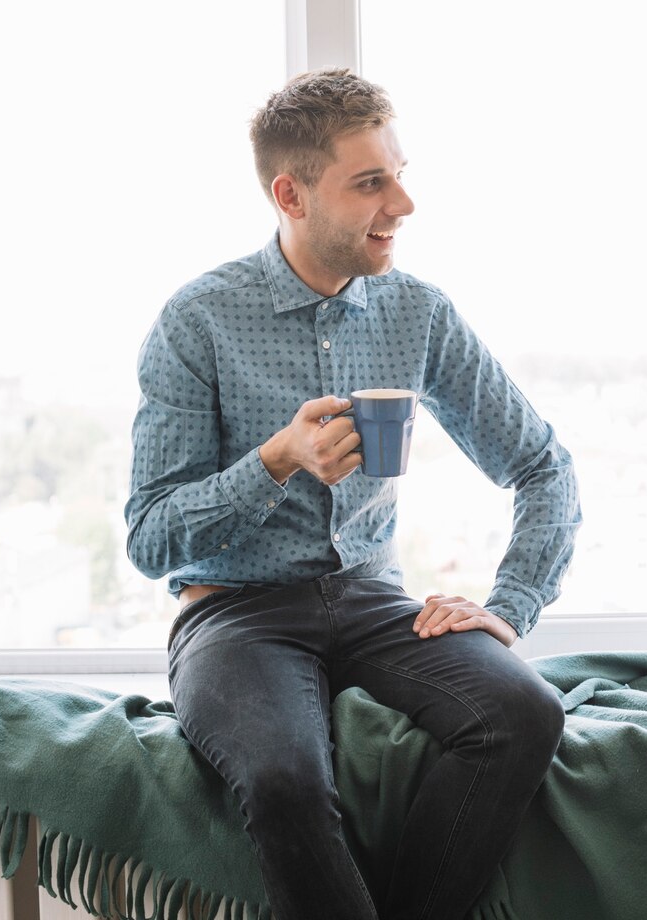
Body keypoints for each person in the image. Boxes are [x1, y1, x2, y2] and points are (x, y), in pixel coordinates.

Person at [125, 68, 580, 920]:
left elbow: (544, 466)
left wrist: (511, 605)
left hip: (374, 598)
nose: (402, 204)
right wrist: (277, 459)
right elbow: (150, 535)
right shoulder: (199, 321)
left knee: (524, 713)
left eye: (400, 174)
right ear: (290, 195)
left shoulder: (418, 313)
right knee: (284, 779)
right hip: (235, 613)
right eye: (371, 183)